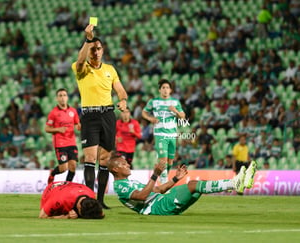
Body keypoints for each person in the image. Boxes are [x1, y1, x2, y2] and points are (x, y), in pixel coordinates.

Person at [71, 24, 128, 209]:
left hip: (108, 115)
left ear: (103, 50)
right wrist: (88, 40)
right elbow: (79, 61)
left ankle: (100, 201)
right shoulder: (81, 68)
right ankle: (89, 199)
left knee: (104, 160)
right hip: (89, 116)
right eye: (92, 49)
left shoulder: (110, 69)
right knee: (89, 158)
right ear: (88, 50)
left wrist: (123, 101)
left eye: (98, 48)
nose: (95, 52)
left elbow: (120, 90)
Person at [108, 155, 257, 216]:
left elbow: (158, 189)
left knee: (196, 187)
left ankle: (238, 182)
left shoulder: (129, 182)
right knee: (193, 186)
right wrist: (155, 174)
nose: (128, 164)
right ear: (115, 169)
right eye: (123, 164)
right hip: (156, 208)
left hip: (161, 200)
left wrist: (175, 178)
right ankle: (235, 183)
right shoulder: (120, 186)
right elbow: (141, 197)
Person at [142, 79, 186, 183]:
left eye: (167, 88)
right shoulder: (153, 101)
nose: (165, 90)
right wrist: (151, 119)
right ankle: (164, 184)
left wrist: (175, 111)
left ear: (170, 90)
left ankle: (162, 178)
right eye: (163, 88)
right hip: (160, 133)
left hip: (172, 134)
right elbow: (144, 112)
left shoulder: (175, 102)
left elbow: (183, 117)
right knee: (163, 160)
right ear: (159, 90)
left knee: (170, 160)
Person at [45, 88, 81, 183]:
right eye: (60, 96)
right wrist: (58, 129)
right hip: (60, 144)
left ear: (67, 97)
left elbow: (77, 123)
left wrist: (79, 126)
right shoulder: (53, 113)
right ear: (57, 98)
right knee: (63, 168)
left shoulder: (73, 111)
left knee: (73, 166)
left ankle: (67, 185)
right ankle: (52, 174)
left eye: (64, 95)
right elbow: (47, 128)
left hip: (71, 142)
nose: (62, 98)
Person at [39, 181, 104, 219]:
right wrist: (66, 217)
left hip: (70, 187)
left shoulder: (92, 194)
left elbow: (100, 213)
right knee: (54, 213)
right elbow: (42, 216)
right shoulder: (59, 200)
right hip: (52, 189)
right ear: (79, 207)